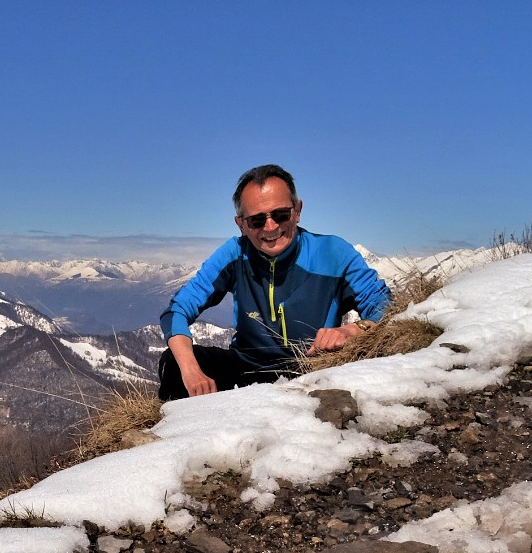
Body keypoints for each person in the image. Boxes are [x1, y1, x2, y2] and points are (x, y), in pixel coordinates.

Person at [158, 164, 391, 400]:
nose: (270, 227)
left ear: (297, 211)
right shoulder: (234, 254)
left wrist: (353, 330)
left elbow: (384, 305)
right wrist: (190, 370)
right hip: (246, 370)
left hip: (314, 370)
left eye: (281, 214)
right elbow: (177, 310)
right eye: (257, 220)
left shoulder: (333, 253)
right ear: (241, 224)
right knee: (173, 364)